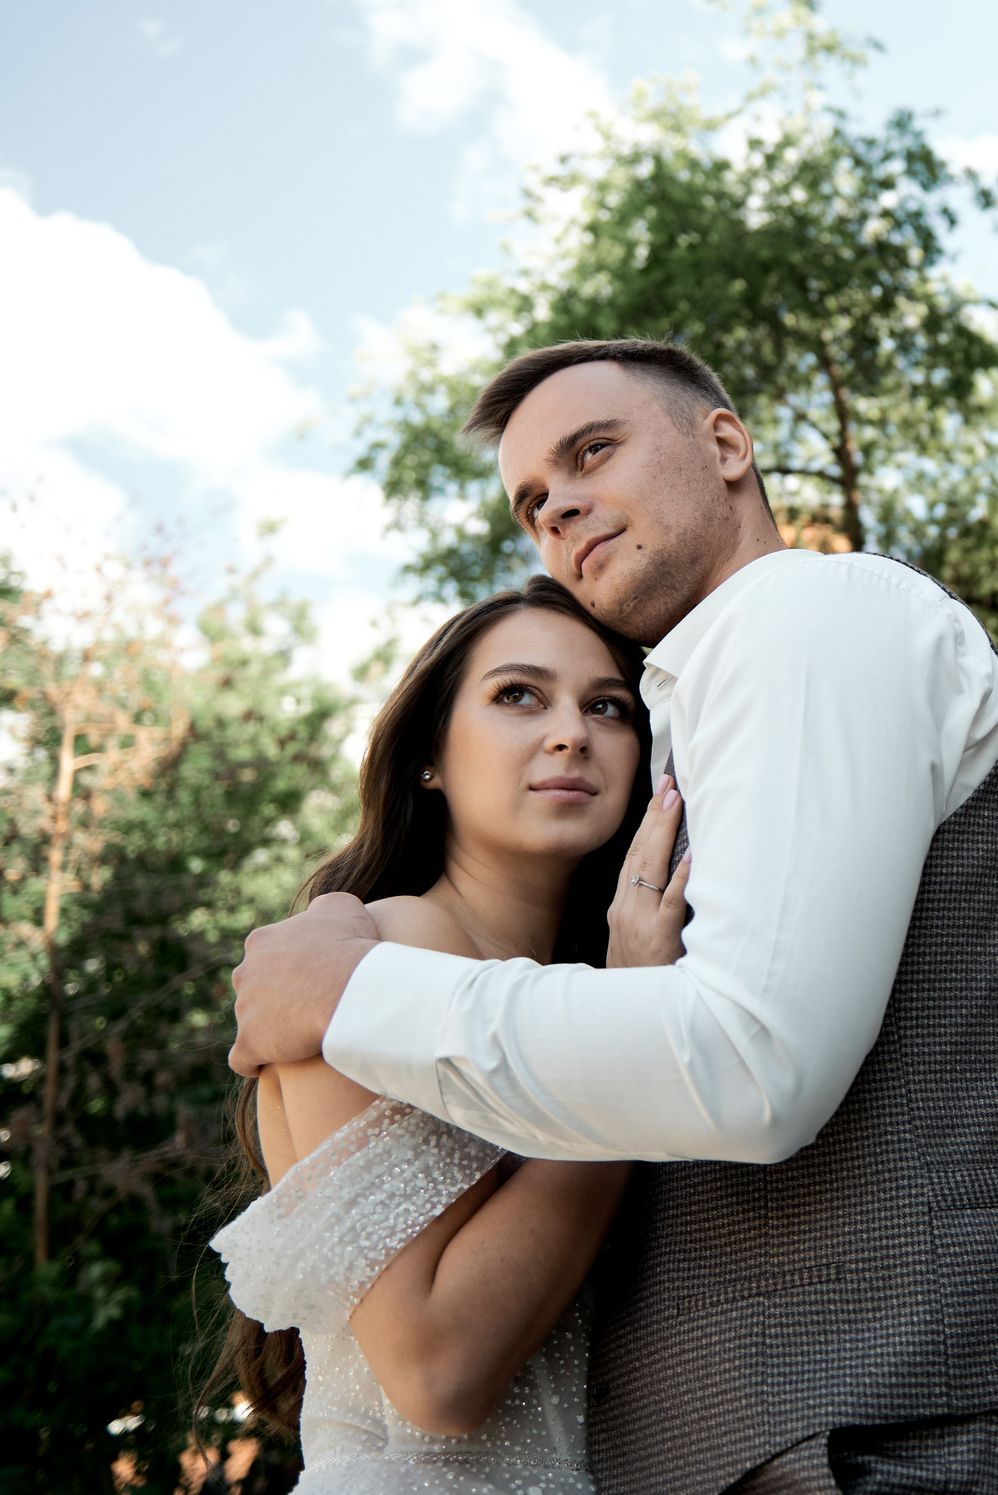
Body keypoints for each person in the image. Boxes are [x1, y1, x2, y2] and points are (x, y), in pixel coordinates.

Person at [227, 339, 998, 1494]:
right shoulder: (691, 749)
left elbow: (750, 1058)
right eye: (532, 501)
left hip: (899, 1430)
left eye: (592, 450)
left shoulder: (812, 613)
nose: (558, 507)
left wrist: (354, 994)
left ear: (725, 443)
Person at [208, 578, 694, 1492]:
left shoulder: (600, 980)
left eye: (608, 707)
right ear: (429, 755)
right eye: (519, 694)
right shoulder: (368, 958)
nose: (570, 732)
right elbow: (437, 1368)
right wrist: (637, 1036)